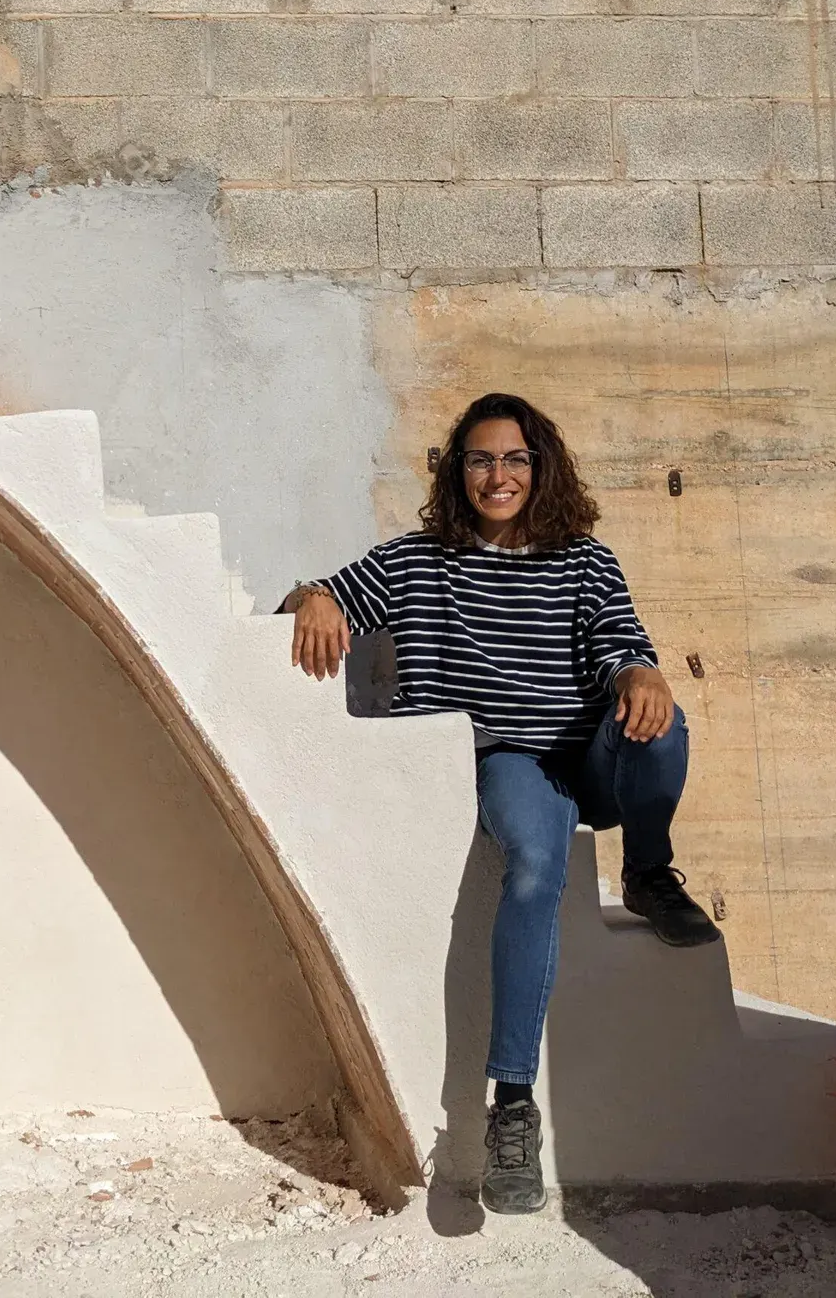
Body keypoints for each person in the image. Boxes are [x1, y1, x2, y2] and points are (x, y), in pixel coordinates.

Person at [281, 392, 719, 1216]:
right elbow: (331, 597)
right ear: (458, 472)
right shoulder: (419, 560)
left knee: (666, 729)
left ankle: (651, 874)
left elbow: (621, 642)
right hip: (511, 763)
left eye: (515, 458)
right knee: (533, 872)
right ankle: (512, 1107)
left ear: (539, 467)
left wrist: (639, 673)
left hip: (589, 749)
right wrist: (313, 594)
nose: (499, 475)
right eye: (480, 459)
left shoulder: (583, 561)